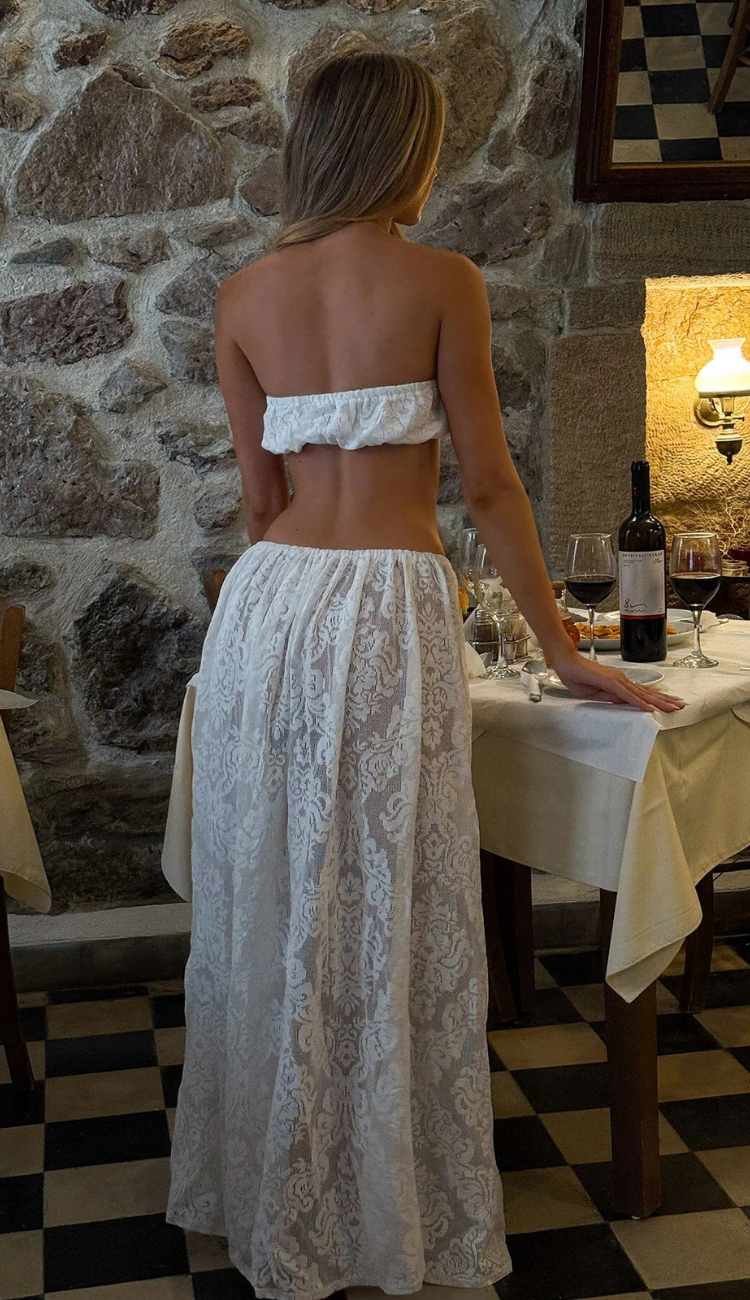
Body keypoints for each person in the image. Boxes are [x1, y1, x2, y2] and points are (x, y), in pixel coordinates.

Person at [164, 49, 684, 1299]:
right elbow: (491, 486)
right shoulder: (444, 280)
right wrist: (563, 648)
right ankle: (379, 1198)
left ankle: (275, 1188)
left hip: (271, 605)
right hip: (391, 601)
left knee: (277, 881)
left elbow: (260, 502)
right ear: (405, 148)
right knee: (387, 882)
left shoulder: (242, 294)